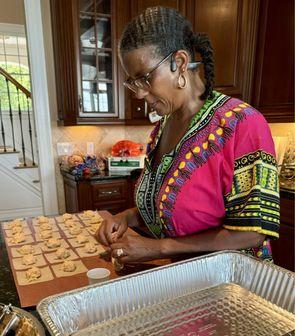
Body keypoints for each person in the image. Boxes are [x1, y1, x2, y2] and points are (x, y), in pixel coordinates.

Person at [96, 6, 279, 264]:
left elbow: (253, 232)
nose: (138, 93)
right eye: (132, 82)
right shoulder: (162, 129)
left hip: (233, 286)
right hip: (183, 279)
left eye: (144, 78)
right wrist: (125, 217)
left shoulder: (242, 124)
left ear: (179, 63)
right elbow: (168, 206)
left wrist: (158, 248)